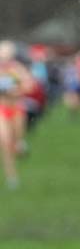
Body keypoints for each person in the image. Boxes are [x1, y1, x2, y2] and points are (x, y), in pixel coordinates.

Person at [0, 40, 34, 189]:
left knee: (15, 143)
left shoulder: (17, 69)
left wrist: (17, 90)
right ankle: (11, 176)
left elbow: (30, 86)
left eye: (6, 57)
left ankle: (20, 144)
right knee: (5, 142)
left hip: (17, 109)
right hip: (1, 108)